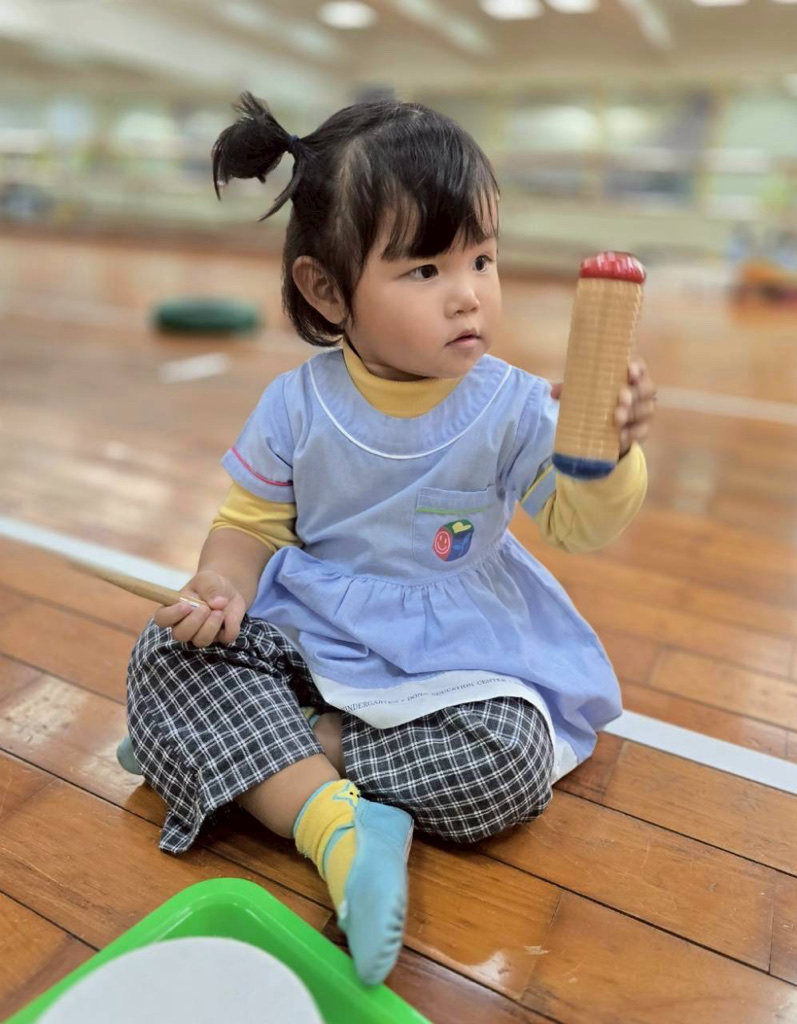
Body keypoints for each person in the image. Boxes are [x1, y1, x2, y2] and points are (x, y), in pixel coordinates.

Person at [126, 93, 656, 986]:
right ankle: (338, 824)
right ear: (326, 289)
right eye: (424, 269)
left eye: (481, 259)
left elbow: (579, 523)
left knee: (509, 762)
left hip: (454, 661)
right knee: (163, 655)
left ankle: (262, 762)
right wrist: (218, 584)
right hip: (312, 637)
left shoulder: (513, 406)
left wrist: (604, 457)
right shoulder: (298, 404)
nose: (468, 293)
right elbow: (247, 528)